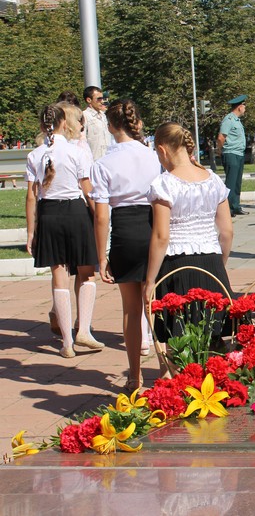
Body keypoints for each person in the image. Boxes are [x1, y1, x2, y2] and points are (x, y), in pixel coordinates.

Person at [144, 123, 234, 354]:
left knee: (179, 341)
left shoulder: (164, 183)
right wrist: (220, 264)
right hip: (212, 262)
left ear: (162, 150)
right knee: (213, 337)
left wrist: (150, 280)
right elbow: (226, 232)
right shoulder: (213, 179)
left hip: (177, 265)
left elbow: (161, 236)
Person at [91, 99, 161, 391]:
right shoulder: (153, 155)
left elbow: (100, 216)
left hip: (124, 231)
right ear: (137, 123)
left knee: (131, 309)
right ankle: (166, 369)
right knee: (157, 304)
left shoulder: (103, 163)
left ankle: (134, 375)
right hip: (155, 226)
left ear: (110, 127)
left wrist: (101, 256)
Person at [26, 104, 101, 358]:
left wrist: (31, 232)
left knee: (59, 276)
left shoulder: (35, 155)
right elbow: (87, 189)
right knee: (86, 273)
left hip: (48, 214)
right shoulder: (75, 152)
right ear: (63, 123)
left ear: (42, 125)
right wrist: (100, 216)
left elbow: (31, 196)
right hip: (75, 212)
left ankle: (67, 342)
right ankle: (84, 330)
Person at [218, 94, 248, 216]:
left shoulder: (237, 121)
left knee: (237, 182)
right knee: (230, 183)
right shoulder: (229, 120)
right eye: (244, 106)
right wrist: (220, 150)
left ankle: (235, 206)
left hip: (239, 153)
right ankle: (227, 209)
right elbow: (221, 137)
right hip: (231, 153)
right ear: (239, 107)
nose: (245, 109)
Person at [82, 86, 112, 161]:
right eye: (99, 99)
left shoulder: (104, 116)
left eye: (102, 98)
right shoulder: (84, 116)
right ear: (89, 100)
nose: (102, 101)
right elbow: (82, 141)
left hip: (108, 159)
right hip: (94, 160)